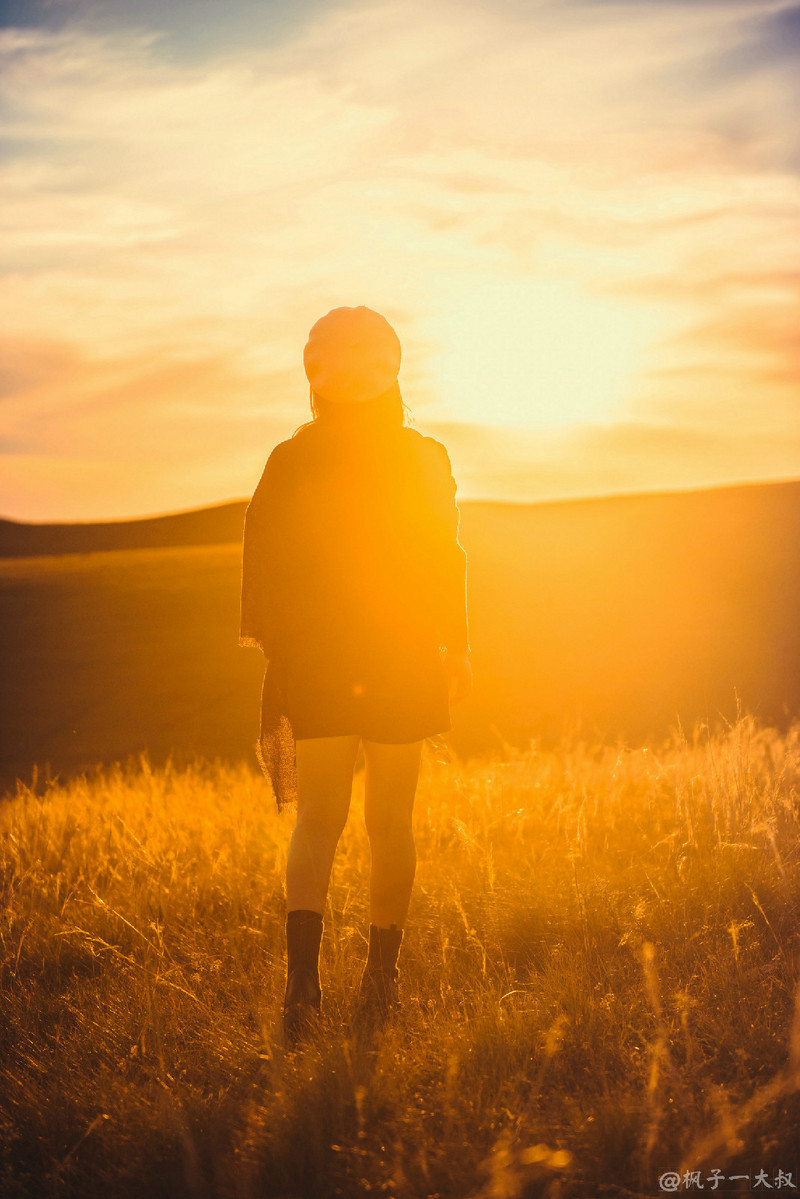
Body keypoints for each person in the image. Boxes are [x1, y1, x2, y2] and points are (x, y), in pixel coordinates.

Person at [239, 305, 471, 1046]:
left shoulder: (289, 459)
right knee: (390, 820)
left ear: (318, 379)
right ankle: (381, 979)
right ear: (391, 374)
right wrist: (454, 646)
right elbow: (445, 557)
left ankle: (301, 988)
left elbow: (264, 565)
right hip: (401, 653)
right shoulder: (424, 457)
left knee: (319, 817)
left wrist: (286, 653)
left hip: (318, 658)